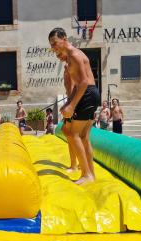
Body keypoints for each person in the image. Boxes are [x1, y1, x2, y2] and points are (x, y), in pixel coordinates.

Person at [50, 27, 99, 184]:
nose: (53, 48)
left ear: (64, 39)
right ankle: (91, 174)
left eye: (55, 43)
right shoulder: (70, 57)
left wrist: (72, 106)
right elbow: (78, 85)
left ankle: (86, 174)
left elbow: (83, 82)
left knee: (71, 134)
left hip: (88, 94)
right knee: (83, 137)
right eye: (51, 45)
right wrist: (69, 103)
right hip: (88, 94)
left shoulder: (75, 55)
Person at [56, 51, 79, 173]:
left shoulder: (68, 66)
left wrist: (69, 104)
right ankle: (78, 160)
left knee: (70, 134)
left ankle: (74, 165)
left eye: (59, 53)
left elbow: (72, 87)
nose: (57, 56)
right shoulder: (69, 65)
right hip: (71, 101)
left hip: (72, 103)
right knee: (65, 131)